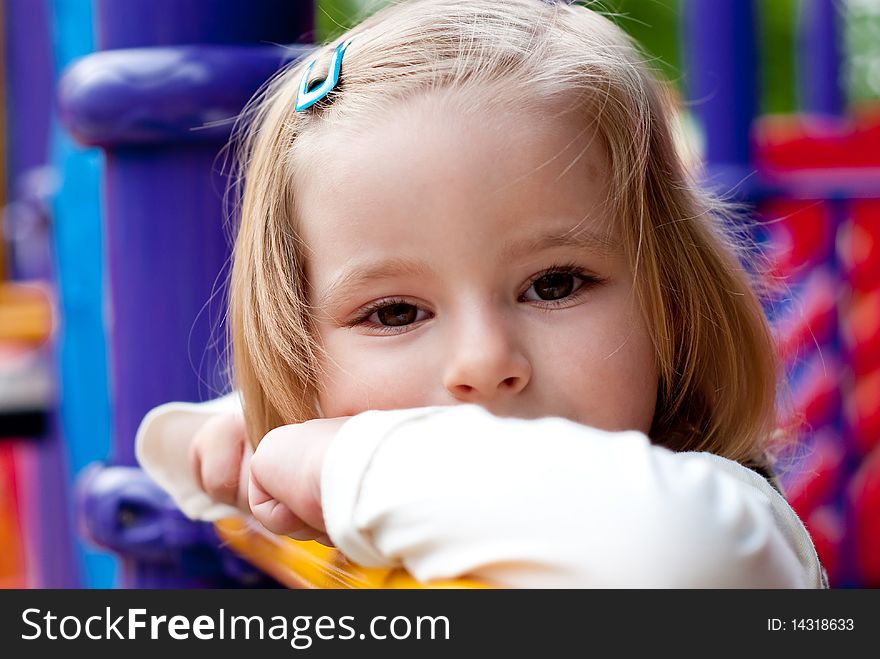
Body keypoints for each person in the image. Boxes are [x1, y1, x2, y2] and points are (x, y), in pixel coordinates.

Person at [136, 0, 827, 588]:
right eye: (396, 312)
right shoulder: (366, 514)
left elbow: (691, 556)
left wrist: (342, 463)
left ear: (671, 307)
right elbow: (176, 449)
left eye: (554, 284)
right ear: (301, 347)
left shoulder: (733, 521)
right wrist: (255, 432)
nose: (482, 360)